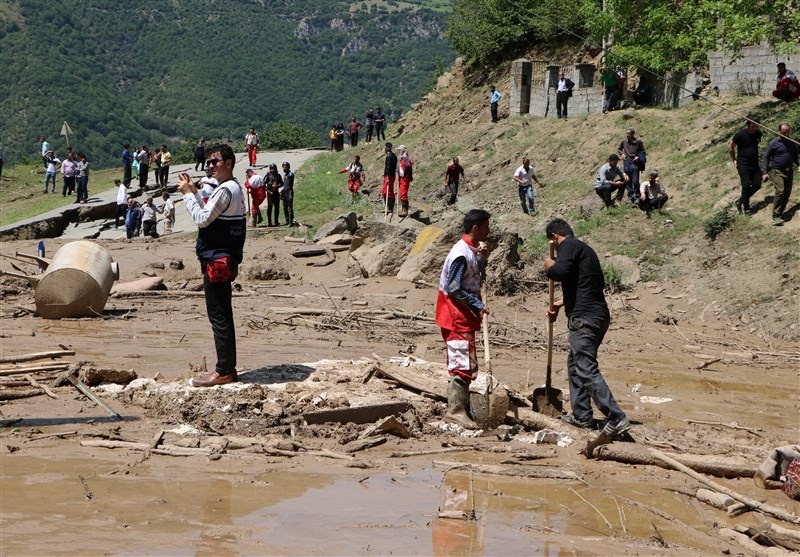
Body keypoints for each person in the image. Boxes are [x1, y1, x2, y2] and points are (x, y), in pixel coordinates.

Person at [544, 218, 630, 438]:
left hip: (584, 318)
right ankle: (582, 417)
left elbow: (560, 272)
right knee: (575, 365)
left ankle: (616, 417)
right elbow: (589, 283)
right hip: (597, 314)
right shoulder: (586, 250)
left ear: (554, 237)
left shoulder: (569, 246)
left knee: (585, 366)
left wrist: (550, 266)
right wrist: (562, 303)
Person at [177, 143, 246, 387]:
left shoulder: (226, 190)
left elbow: (202, 218)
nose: (210, 166)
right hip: (223, 258)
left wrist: (187, 195)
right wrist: (194, 191)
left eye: (215, 162)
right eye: (208, 162)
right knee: (222, 314)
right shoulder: (233, 188)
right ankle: (226, 368)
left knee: (219, 316)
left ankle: (224, 370)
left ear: (228, 163)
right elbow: (209, 211)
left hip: (218, 260)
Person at [435, 209, 491, 430]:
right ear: (476, 228)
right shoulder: (460, 254)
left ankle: (461, 408)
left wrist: (481, 257)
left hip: (462, 314)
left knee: (466, 360)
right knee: (462, 362)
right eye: (486, 226)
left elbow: (473, 274)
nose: (489, 230)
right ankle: (455, 411)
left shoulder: (470, 250)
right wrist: (478, 304)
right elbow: (453, 288)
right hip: (454, 314)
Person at [762, 122, 799, 226]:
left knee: (787, 193)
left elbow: (795, 157)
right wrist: (765, 172)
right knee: (780, 191)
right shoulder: (774, 143)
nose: (786, 134)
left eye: (788, 132)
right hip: (777, 171)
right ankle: (775, 216)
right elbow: (766, 157)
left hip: (789, 171)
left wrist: (799, 164)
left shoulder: (791, 143)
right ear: (779, 132)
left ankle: (780, 213)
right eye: (784, 132)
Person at [729, 116, 763, 217]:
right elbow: (731, 147)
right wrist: (734, 160)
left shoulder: (758, 134)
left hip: (755, 164)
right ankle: (747, 208)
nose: (754, 127)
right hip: (743, 164)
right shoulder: (741, 135)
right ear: (748, 125)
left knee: (757, 185)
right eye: (753, 125)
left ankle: (740, 201)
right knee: (746, 185)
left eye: (756, 125)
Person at [618, 127, 646, 204]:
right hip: (626, 162)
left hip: (635, 163)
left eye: (629, 133)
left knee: (635, 181)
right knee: (627, 181)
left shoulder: (638, 142)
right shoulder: (624, 142)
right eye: (626, 133)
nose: (627, 135)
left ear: (633, 133)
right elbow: (619, 149)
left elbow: (643, 152)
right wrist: (622, 154)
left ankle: (637, 196)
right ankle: (630, 197)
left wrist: (638, 157)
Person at [397, 144, 413, 217]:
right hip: (402, 178)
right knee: (402, 194)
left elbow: (408, 167)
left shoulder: (406, 158)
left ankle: (405, 210)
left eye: (399, 150)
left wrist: (406, 175)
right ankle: (403, 209)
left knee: (403, 194)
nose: (399, 152)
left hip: (405, 178)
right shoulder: (403, 158)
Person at [382, 142, 398, 216]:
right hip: (392, 175)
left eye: (385, 148)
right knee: (388, 191)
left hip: (388, 176)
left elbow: (388, 167)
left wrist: (387, 177)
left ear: (387, 148)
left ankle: (389, 208)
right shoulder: (394, 156)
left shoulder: (389, 156)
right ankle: (389, 207)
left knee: (386, 192)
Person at [265, 162, 283, 227]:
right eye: (271, 169)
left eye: (274, 169)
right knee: (269, 208)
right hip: (270, 194)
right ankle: (269, 222)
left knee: (277, 208)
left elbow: (282, 183)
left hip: (276, 193)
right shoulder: (268, 175)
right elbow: (263, 185)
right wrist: (268, 191)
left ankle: (276, 221)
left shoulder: (278, 176)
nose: (272, 170)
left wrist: (277, 185)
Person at [281, 161, 295, 226]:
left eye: (285, 167)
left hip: (289, 191)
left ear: (288, 167)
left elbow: (291, 176)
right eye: (283, 167)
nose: (284, 168)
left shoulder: (290, 174)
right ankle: (287, 221)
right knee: (285, 207)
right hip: (285, 192)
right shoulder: (285, 175)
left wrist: (288, 175)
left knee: (289, 207)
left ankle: (291, 222)